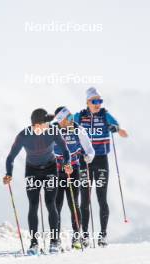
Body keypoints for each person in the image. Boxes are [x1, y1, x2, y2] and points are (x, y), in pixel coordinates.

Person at [3, 108, 72, 254]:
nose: (49, 125)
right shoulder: (23, 135)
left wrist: (67, 164)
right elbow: (10, 158)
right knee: (33, 204)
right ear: (37, 125)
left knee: (50, 203)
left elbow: (66, 151)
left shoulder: (53, 131)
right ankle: (34, 243)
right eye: (46, 123)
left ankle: (54, 241)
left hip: (50, 169)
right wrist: (9, 174)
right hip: (32, 171)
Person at [74, 87, 128, 247]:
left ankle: (102, 235)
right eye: (94, 101)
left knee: (101, 198)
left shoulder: (105, 115)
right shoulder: (79, 116)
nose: (98, 104)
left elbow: (122, 130)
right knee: (84, 199)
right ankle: (84, 236)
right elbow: (68, 129)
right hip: (84, 161)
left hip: (101, 160)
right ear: (87, 102)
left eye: (99, 101)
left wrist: (116, 129)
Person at [53, 106, 95, 249]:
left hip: (74, 170)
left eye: (72, 117)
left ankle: (76, 237)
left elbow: (90, 149)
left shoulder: (78, 129)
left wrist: (89, 157)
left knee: (73, 203)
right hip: (56, 171)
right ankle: (55, 239)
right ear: (61, 120)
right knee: (56, 205)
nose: (72, 120)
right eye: (69, 118)